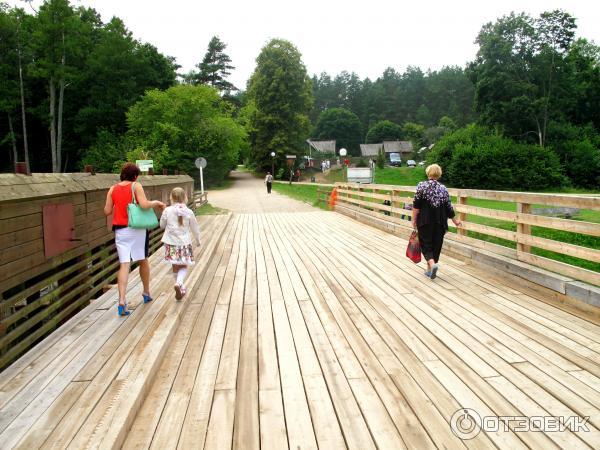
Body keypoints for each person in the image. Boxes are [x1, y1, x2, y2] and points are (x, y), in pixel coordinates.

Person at [104, 162, 165, 316]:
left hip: (120, 230)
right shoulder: (135, 186)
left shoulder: (112, 189)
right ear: (135, 176)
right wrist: (156, 203)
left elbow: (106, 211)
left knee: (124, 264)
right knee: (143, 259)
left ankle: (122, 301)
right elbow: (144, 205)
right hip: (136, 228)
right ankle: (146, 292)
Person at [411, 164, 461, 279]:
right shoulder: (443, 188)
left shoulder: (421, 186)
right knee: (436, 245)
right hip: (440, 222)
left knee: (425, 243)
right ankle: (430, 269)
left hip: (425, 221)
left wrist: (413, 219)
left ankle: (432, 265)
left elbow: (416, 205)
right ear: (439, 174)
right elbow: (449, 208)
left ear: (428, 173)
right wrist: (455, 221)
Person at [160, 187, 200, 300]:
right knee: (183, 265)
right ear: (185, 197)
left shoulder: (167, 210)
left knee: (175, 265)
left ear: (171, 198)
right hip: (184, 243)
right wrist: (197, 240)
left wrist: (164, 214)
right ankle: (179, 284)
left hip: (170, 243)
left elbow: (162, 225)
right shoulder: (189, 211)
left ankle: (180, 286)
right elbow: (195, 228)